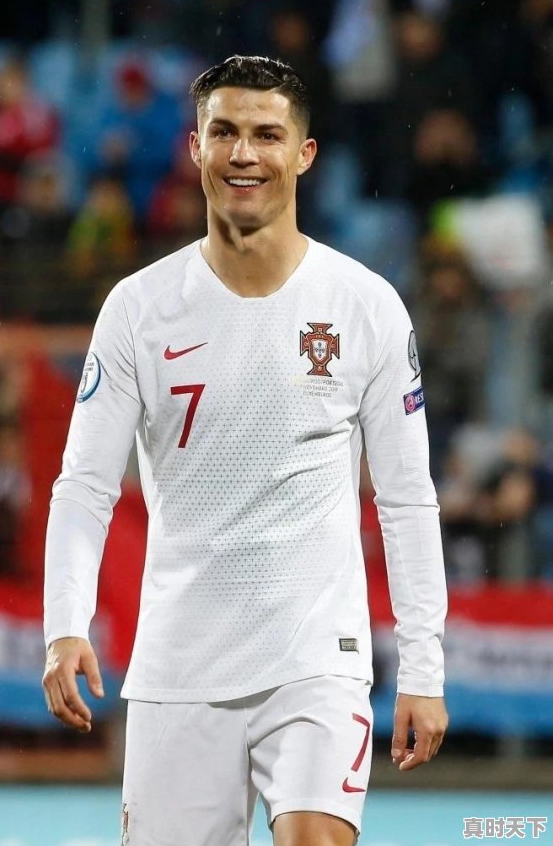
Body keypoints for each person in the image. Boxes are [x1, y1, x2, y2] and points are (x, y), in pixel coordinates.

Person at [42, 55, 448, 846]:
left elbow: (406, 498)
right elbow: (84, 484)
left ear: (303, 153)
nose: (243, 154)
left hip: (316, 660)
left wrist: (423, 669)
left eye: (266, 135)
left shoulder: (364, 306)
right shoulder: (138, 309)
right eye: (223, 132)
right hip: (178, 665)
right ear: (194, 147)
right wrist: (65, 624)